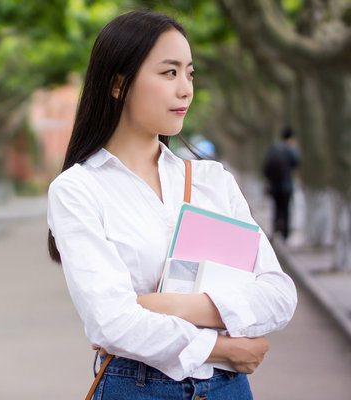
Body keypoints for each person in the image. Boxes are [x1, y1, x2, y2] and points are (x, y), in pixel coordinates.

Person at [46, 11, 297, 399]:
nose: (186, 90)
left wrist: (169, 305)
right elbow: (111, 323)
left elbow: (279, 296)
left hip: (228, 388)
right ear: (118, 84)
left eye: (190, 74)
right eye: (169, 73)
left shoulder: (213, 181)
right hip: (138, 386)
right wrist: (223, 346)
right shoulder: (78, 189)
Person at [262, 127, 301, 241]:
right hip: (286, 186)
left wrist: (269, 179)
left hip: (274, 186)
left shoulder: (273, 149)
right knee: (286, 210)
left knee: (276, 208)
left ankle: (276, 230)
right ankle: (285, 234)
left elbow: (266, 167)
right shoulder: (290, 150)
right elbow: (296, 162)